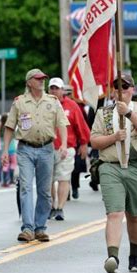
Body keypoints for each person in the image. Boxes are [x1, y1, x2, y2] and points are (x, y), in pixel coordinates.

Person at [90, 74, 137, 273]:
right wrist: (114, 137)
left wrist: (128, 113)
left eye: (125, 87)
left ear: (132, 89)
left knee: (134, 215)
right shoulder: (104, 112)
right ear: (112, 91)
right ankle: (112, 256)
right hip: (111, 167)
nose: (121, 91)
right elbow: (94, 141)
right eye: (117, 88)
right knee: (114, 212)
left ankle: (134, 256)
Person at [1, 68, 69, 243]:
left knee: (45, 191)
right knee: (25, 187)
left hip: (47, 148)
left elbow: (61, 123)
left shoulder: (53, 101)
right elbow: (9, 127)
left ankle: (40, 227)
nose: (41, 81)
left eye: (43, 78)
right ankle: (28, 228)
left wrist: (63, 144)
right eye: (38, 79)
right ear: (29, 82)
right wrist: (5, 151)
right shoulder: (19, 102)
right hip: (25, 149)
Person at [48, 77, 90, 221]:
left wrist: (84, 143)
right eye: (51, 88)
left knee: (63, 178)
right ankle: (51, 206)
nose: (54, 90)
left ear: (62, 90)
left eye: (56, 88)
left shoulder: (71, 105)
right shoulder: (44, 104)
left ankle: (59, 208)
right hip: (46, 148)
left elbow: (81, 125)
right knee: (48, 180)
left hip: (66, 148)